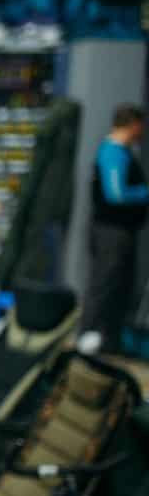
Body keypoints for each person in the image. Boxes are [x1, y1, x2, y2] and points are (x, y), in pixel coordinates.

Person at [80, 104, 146, 355]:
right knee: (104, 282)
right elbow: (116, 193)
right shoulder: (114, 153)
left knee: (119, 285)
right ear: (133, 124)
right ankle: (88, 336)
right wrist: (144, 193)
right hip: (111, 232)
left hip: (119, 231)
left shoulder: (123, 152)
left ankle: (110, 341)